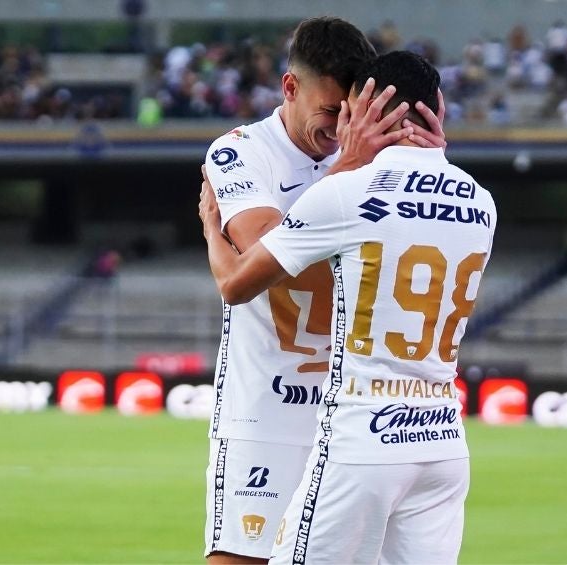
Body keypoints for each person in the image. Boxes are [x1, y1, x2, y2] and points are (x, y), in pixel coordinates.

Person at [199, 51, 497, 564]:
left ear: (364, 107)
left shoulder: (346, 193)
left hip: (363, 435)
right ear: (439, 107)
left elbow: (237, 285)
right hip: (443, 438)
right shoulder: (481, 202)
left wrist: (210, 224)